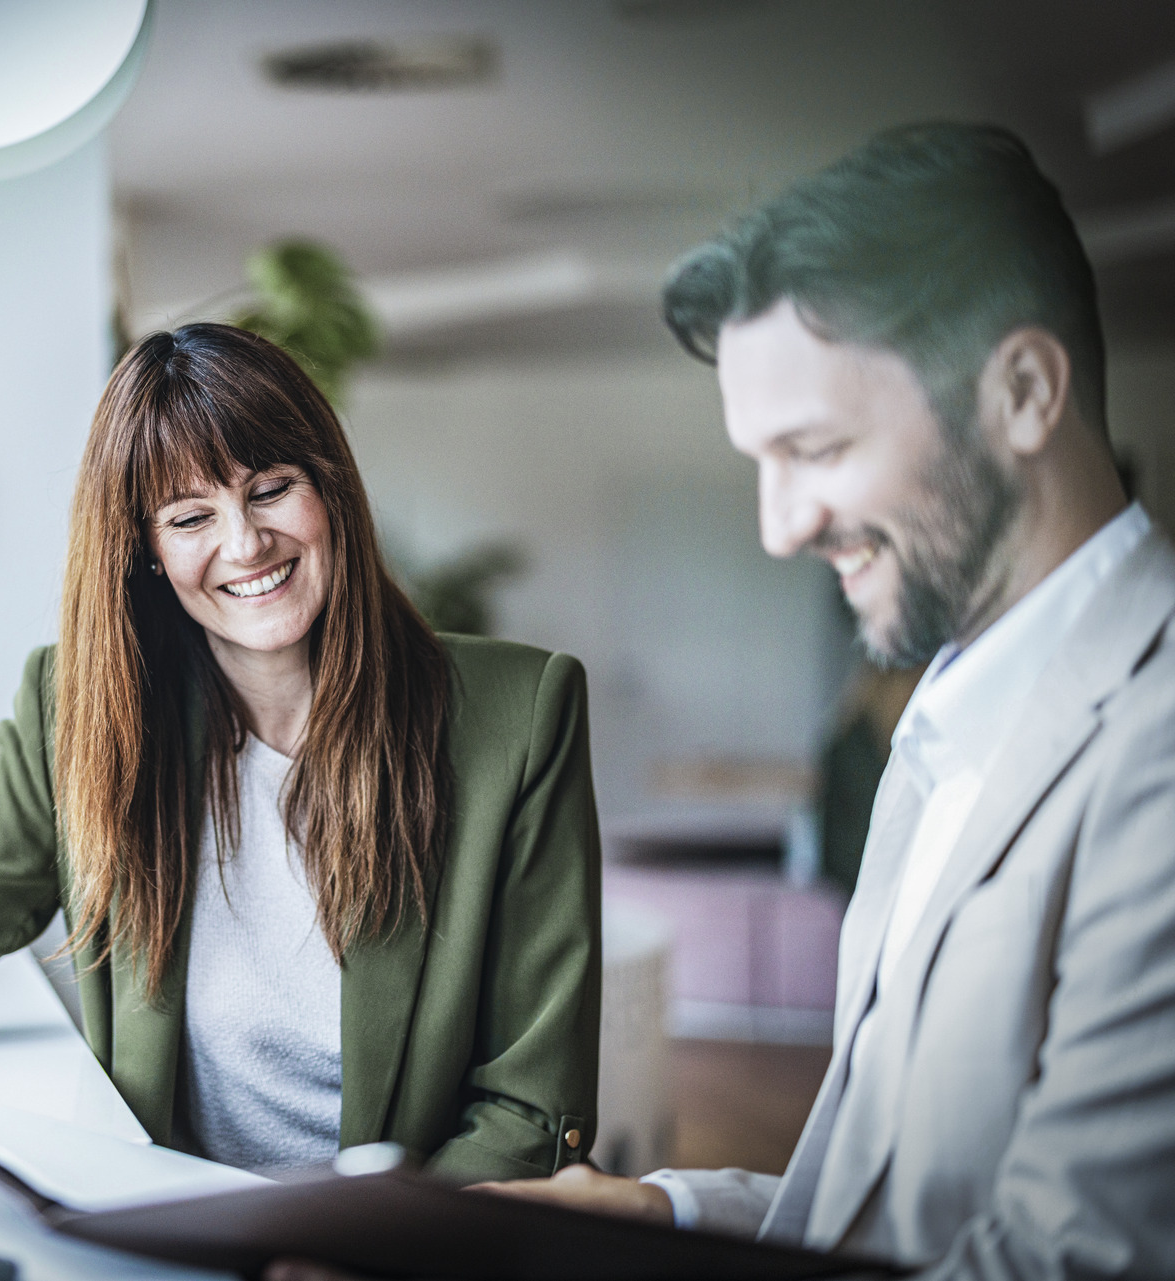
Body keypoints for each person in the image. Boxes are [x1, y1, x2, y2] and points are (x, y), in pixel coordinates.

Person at [275, 122, 1175, 1280]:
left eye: (817, 447)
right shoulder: (951, 722)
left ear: (1024, 390)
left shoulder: (1154, 747)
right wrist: (667, 1218)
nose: (781, 525)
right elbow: (889, 1212)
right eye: (761, 460)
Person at [0, 323, 604, 1181]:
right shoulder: (79, 714)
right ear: (147, 552)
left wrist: (357, 1253)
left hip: (400, 1252)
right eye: (191, 516)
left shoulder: (518, 715)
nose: (246, 543)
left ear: (330, 489)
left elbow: (530, 1107)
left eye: (272, 487)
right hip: (166, 1239)